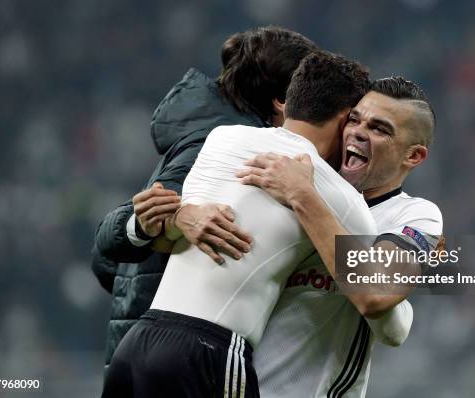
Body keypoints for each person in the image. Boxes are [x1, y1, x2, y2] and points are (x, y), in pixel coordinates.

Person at [101, 51, 376, 398]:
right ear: (343, 119)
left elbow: (165, 237)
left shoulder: (222, 138)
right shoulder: (335, 194)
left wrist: (174, 220)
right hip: (209, 351)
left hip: (138, 343)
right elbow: (377, 295)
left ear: (288, 103)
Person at [178, 76, 442, 397]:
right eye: (354, 119)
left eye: (379, 128)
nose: (357, 131)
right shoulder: (287, 177)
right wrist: (180, 215)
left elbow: (375, 291)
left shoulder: (414, 215)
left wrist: (303, 196)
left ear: (413, 156)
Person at [90, 26, 318, 375]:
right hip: (184, 361)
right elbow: (380, 293)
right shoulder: (244, 152)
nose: (350, 127)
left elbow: (108, 265)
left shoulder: (260, 155)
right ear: (282, 102)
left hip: (158, 355)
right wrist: (172, 225)